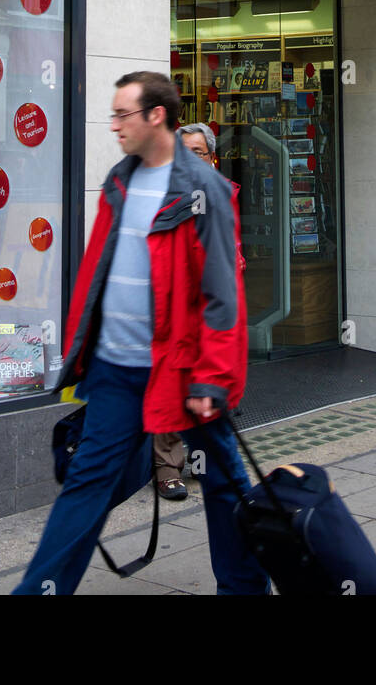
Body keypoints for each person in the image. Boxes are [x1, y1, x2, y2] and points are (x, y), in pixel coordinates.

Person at [12, 72, 270, 596]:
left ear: (157, 116)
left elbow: (223, 295)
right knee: (85, 484)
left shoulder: (204, 190)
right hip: (117, 368)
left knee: (224, 483)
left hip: (182, 371)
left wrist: (214, 378)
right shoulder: (120, 181)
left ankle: (245, 588)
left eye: (122, 114)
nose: (114, 125)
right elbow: (99, 272)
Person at [149, 123, 221, 501]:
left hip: (212, 313)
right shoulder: (168, 195)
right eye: (184, 152)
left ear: (212, 158)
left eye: (198, 152)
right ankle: (167, 469)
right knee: (172, 387)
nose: (190, 159)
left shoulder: (222, 196)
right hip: (177, 311)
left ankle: (202, 465)